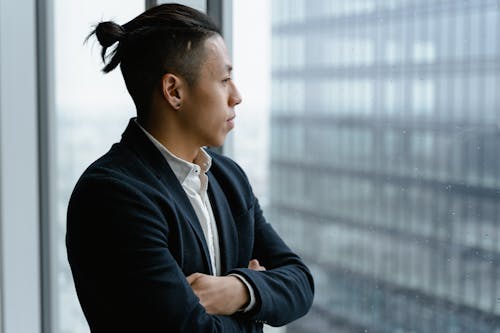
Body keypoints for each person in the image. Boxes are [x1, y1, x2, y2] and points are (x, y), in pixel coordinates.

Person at [66, 3, 314, 332]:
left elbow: (300, 284)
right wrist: (257, 308)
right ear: (174, 91)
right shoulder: (113, 194)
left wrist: (240, 290)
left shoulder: (229, 180)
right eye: (225, 79)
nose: (237, 96)